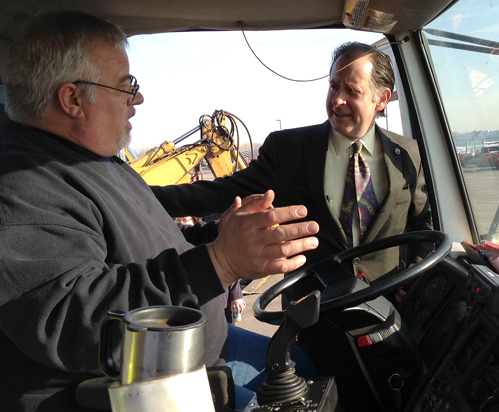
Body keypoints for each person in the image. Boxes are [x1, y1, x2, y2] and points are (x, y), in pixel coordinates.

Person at [0, 11, 320, 412]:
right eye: (125, 86)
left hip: (193, 349)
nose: (137, 99)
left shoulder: (96, 161)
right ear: (72, 99)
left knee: (306, 368)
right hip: (133, 389)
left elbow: (153, 246)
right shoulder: (20, 183)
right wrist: (218, 262)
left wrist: (217, 238)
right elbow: (71, 319)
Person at [151, 41, 433, 408]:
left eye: (352, 91)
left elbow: (423, 225)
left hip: (384, 326)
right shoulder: (289, 149)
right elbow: (217, 193)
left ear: (382, 99)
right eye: (334, 87)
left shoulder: (406, 153)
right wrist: (138, 194)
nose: (337, 100)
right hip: (316, 330)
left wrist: (413, 278)